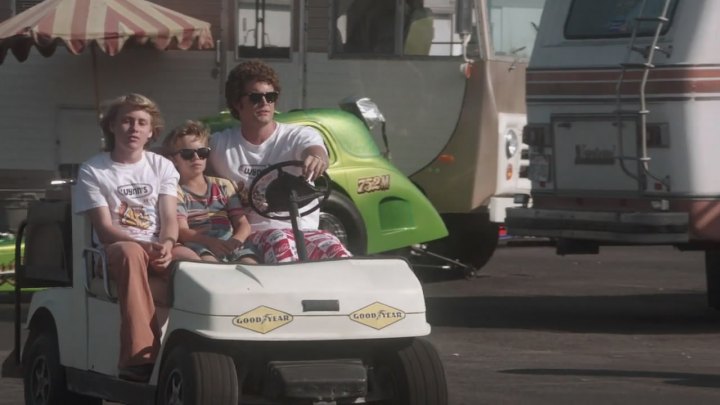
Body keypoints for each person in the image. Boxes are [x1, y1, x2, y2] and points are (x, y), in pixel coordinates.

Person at [74, 93, 200, 382]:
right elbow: (104, 229)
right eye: (127, 121)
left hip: (156, 246)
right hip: (115, 252)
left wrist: (167, 245)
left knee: (193, 262)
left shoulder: (162, 166)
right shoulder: (93, 169)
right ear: (112, 126)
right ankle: (139, 357)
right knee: (131, 254)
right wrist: (143, 245)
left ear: (151, 131)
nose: (134, 128)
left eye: (142, 123)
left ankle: (206, 348)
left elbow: (169, 219)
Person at [208, 59, 352, 263]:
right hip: (253, 236)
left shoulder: (298, 135)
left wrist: (316, 159)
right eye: (255, 97)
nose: (264, 103)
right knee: (280, 241)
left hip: (305, 231)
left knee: (334, 247)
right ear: (237, 102)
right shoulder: (219, 143)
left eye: (271, 96)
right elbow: (179, 156)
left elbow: (315, 150)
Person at [162, 120, 257, 264]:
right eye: (187, 154)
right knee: (210, 266)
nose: (196, 158)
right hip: (199, 243)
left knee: (251, 264)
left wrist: (235, 241)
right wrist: (210, 242)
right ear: (173, 160)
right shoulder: (175, 191)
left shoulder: (224, 185)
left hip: (230, 240)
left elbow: (242, 223)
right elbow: (182, 230)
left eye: (202, 152)